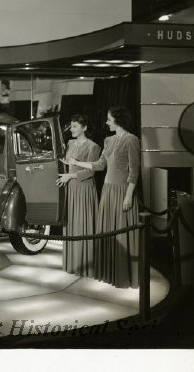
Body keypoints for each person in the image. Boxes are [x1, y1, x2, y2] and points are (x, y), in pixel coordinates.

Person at [62, 106, 140, 288]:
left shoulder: (132, 140)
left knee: (120, 232)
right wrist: (76, 162)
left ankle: (124, 276)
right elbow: (100, 165)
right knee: (107, 232)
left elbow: (134, 172)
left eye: (109, 119)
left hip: (122, 191)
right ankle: (110, 274)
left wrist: (129, 196)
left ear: (118, 120)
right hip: (107, 190)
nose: (106, 122)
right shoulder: (108, 140)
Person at [56, 114, 100, 277]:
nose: (72, 129)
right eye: (72, 126)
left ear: (85, 128)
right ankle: (72, 264)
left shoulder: (93, 146)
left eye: (75, 126)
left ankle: (85, 266)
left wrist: (70, 176)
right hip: (71, 188)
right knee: (71, 225)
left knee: (82, 225)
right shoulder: (69, 143)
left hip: (84, 189)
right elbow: (67, 163)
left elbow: (90, 171)